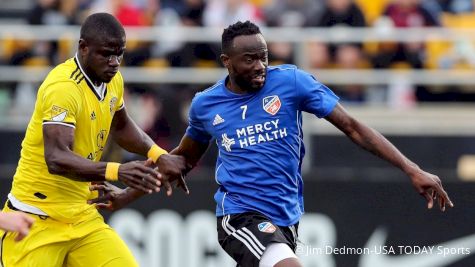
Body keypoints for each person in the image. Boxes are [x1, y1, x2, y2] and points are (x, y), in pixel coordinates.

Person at [91, 21, 454, 267]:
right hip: (239, 216)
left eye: (263, 57)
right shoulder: (207, 104)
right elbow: (181, 161)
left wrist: (412, 168)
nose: (260, 66)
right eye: (249, 59)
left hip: (286, 217)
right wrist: (126, 195)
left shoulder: (292, 83)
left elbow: (354, 127)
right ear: (226, 62)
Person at [1, 13, 187, 267]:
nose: (114, 62)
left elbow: (121, 127)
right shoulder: (63, 86)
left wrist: (158, 154)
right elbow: (56, 158)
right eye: (107, 54)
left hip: (82, 215)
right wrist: (117, 171)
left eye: (119, 54)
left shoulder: (112, 80)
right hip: (35, 217)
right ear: (83, 47)